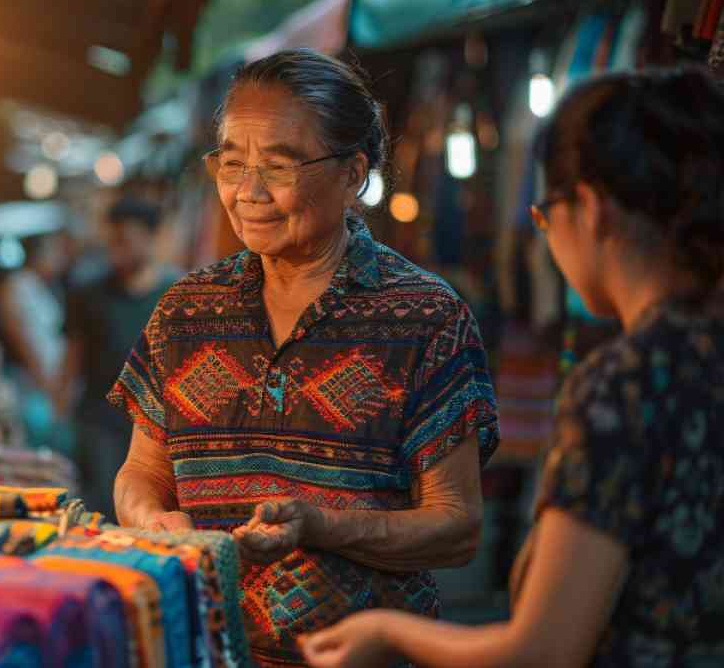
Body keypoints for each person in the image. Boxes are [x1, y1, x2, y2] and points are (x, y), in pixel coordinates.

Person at [299, 67, 724, 668]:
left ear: (592, 210)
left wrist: (388, 633)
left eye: (546, 214)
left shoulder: (623, 384)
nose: (545, 237)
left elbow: (543, 651)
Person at [107, 49, 500, 666]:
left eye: (278, 166)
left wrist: (322, 526)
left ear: (353, 174)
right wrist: (155, 521)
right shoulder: (184, 312)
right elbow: (140, 475)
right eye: (231, 164)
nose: (248, 192)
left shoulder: (428, 317)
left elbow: (456, 528)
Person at [61, 197, 181, 519]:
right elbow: (73, 355)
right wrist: (60, 410)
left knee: (155, 507)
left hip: (160, 423)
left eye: (125, 240)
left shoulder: (178, 294)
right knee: (104, 503)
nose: (117, 250)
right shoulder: (88, 293)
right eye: (113, 241)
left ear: (151, 238)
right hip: (100, 417)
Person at [0, 231, 73, 455]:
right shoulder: (17, 286)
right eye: (54, 252)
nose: (59, 258)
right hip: (33, 383)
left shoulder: (43, 286)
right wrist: (45, 383)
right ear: (39, 254)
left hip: (51, 381)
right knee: (40, 439)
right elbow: (20, 337)